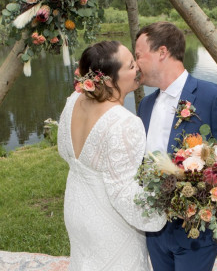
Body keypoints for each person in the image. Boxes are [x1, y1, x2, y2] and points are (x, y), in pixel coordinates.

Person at [135, 21, 217, 271]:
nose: (136, 64)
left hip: (194, 230)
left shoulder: (212, 97)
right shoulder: (145, 106)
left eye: (138, 55)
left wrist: (206, 179)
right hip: (154, 228)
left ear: (162, 52)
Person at [57, 40, 166, 271]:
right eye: (130, 66)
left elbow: (64, 151)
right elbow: (123, 193)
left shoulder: (72, 101)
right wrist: (162, 207)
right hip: (108, 220)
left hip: (76, 207)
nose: (138, 68)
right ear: (107, 80)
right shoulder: (125, 123)